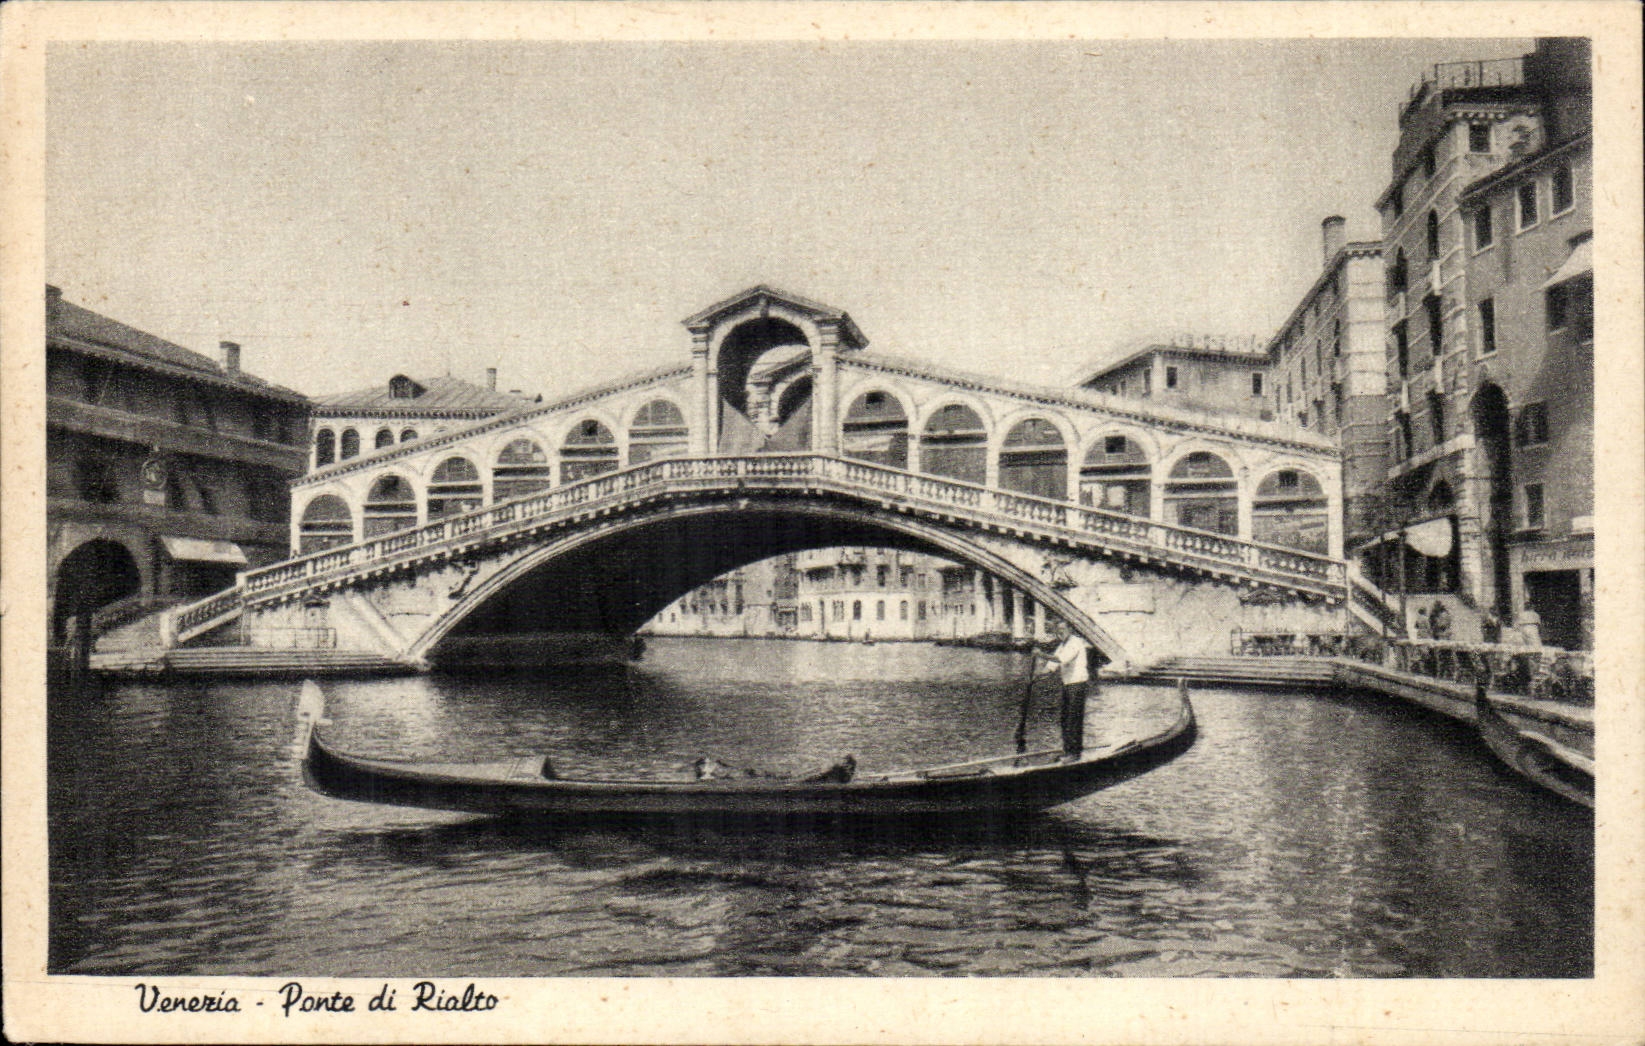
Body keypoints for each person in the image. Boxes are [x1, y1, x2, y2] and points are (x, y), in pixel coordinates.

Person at [1036, 622, 1092, 758]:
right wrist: (1039, 675)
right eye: (1058, 629)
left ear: (1070, 629)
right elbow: (1052, 664)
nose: (1060, 632)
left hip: (1077, 684)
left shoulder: (1076, 642)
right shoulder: (1063, 645)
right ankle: (1067, 750)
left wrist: (1041, 654)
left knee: (1073, 718)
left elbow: (1062, 659)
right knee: (1064, 718)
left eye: (1062, 629)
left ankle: (1074, 753)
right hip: (1067, 684)